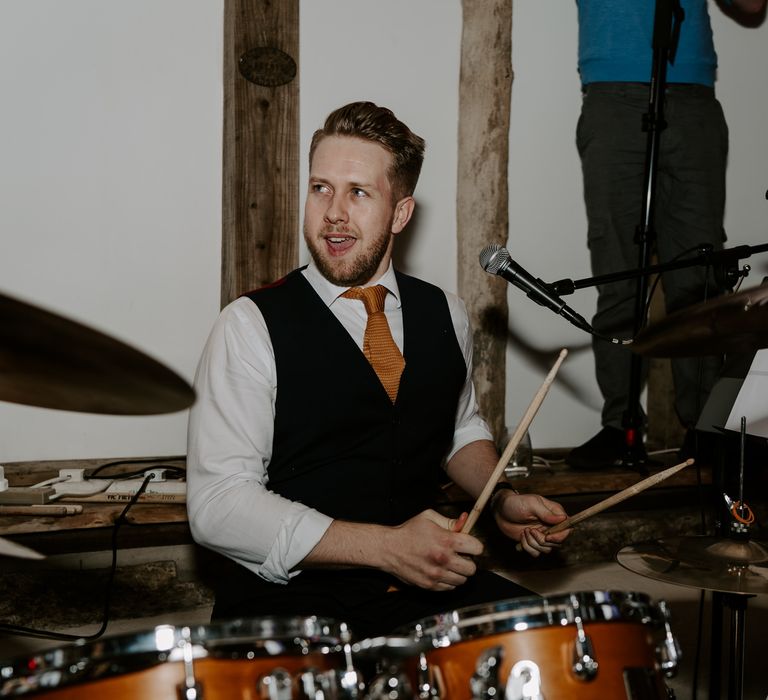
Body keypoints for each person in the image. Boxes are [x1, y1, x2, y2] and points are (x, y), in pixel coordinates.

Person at [187, 101, 570, 640]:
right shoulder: (249, 325)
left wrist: (502, 498)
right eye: (321, 188)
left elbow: (458, 430)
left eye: (358, 192)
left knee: (564, 643)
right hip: (290, 606)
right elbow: (217, 506)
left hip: (421, 597)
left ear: (400, 213)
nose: (334, 213)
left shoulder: (447, 313)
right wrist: (387, 548)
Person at [567, 0, 766, 470]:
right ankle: (621, 426)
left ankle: (704, 427)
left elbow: (752, 5)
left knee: (699, 274)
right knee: (618, 273)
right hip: (612, 91)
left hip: (694, 93)